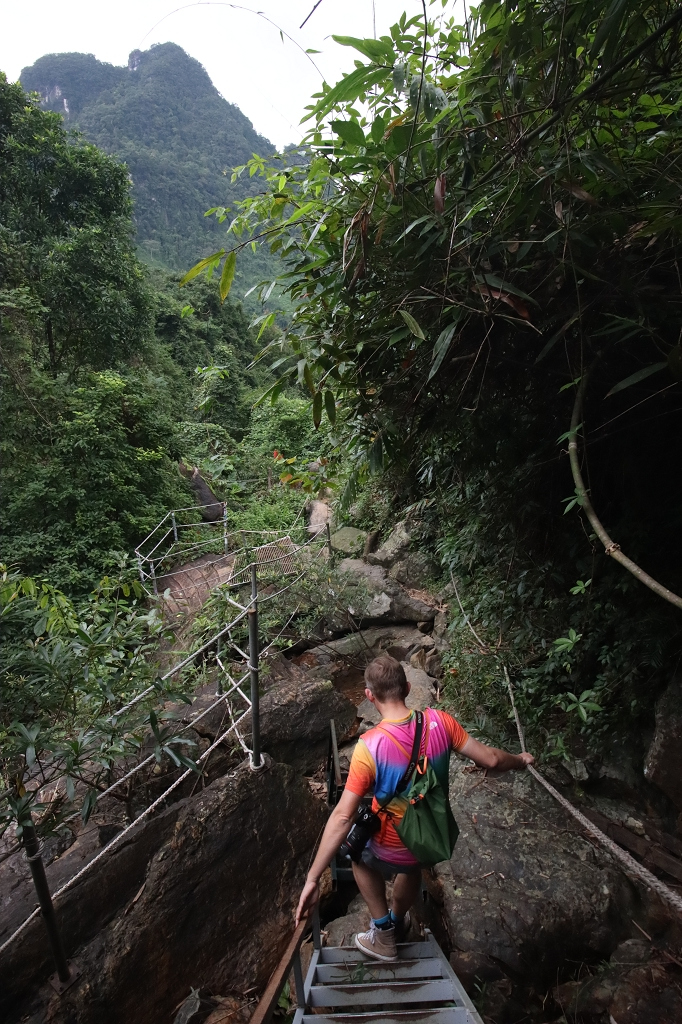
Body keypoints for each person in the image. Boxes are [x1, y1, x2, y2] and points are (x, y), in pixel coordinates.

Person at [295, 654, 534, 961]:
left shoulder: (369, 746)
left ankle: (384, 933)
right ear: (407, 688)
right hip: (427, 839)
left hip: (388, 844)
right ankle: (398, 920)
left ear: (369, 696)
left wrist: (313, 879)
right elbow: (492, 759)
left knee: (356, 855)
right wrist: (520, 761)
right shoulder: (441, 722)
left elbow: (343, 816)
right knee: (412, 866)